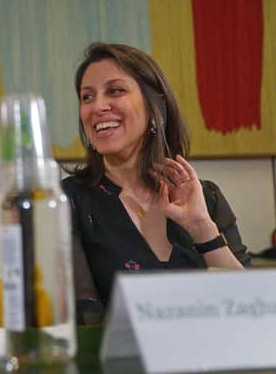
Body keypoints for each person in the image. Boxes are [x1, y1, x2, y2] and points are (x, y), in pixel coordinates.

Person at [63, 42, 251, 315]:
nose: (98, 106)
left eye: (115, 91)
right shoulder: (67, 203)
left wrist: (202, 229)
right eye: (87, 97)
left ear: (154, 106)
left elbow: (252, 310)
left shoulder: (206, 197)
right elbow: (84, 321)